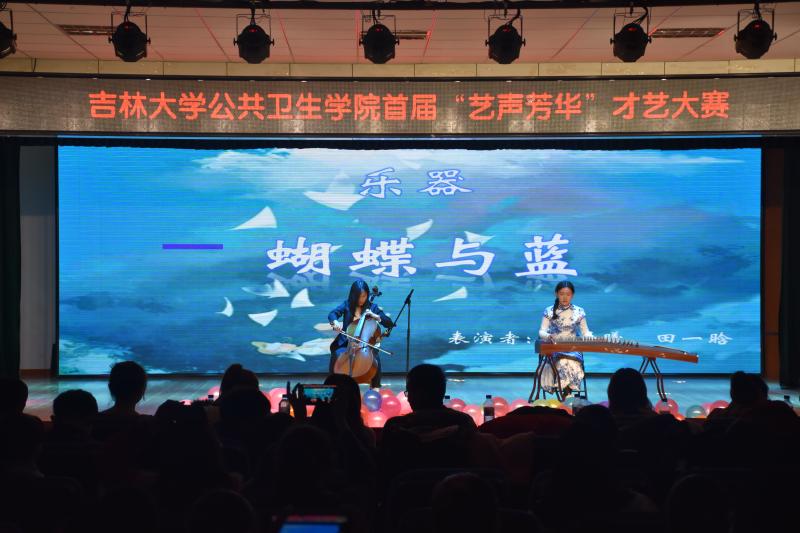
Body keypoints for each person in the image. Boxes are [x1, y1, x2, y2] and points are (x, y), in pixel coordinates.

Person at [327, 279, 393, 388]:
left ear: (367, 294)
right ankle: (332, 386)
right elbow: (333, 313)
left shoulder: (372, 307)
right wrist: (335, 322)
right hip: (346, 343)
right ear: (353, 296)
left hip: (365, 345)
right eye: (358, 296)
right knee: (337, 356)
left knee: (375, 359)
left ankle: (375, 387)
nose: (361, 299)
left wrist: (377, 317)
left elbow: (389, 323)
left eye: (364, 296)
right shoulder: (347, 304)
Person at [538, 281, 591, 397]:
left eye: (568, 294)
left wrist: (589, 338)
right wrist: (548, 336)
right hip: (555, 348)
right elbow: (541, 331)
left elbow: (585, 332)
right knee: (563, 362)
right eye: (561, 294)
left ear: (572, 295)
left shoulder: (579, 311)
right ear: (556, 294)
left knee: (572, 363)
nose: (565, 297)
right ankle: (566, 394)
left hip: (573, 349)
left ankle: (567, 393)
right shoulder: (549, 311)